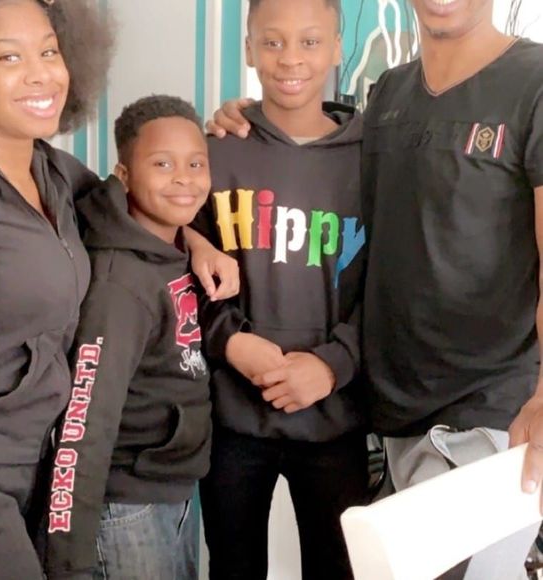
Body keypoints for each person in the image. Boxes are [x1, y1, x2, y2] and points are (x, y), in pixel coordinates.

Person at [209, 1, 543, 578]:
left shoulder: (532, 82)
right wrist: (243, 122)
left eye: (310, 42)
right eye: (274, 43)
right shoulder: (389, 94)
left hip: (490, 410)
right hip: (392, 416)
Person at [0, 1, 236, 577]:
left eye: (49, 51)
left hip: (40, 465)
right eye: (8, 57)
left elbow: (135, 206)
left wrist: (194, 240)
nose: (40, 73)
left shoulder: (57, 174)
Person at [193, 1, 369, 579]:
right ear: (249, 49)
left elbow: (392, 289)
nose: (291, 58)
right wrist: (229, 340)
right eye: (272, 42)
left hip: (335, 418)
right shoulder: (215, 151)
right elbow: (179, 267)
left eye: (310, 41)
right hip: (232, 422)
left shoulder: (374, 160)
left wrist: (334, 364)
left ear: (337, 47)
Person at [44, 95, 212, 580]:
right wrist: (69, 559)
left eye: (195, 163)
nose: (184, 178)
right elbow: (85, 422)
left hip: (170, 488)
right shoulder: (120, 286)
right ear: (124, 175)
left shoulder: (170, 245)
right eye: (162, 164)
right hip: (126, 507)